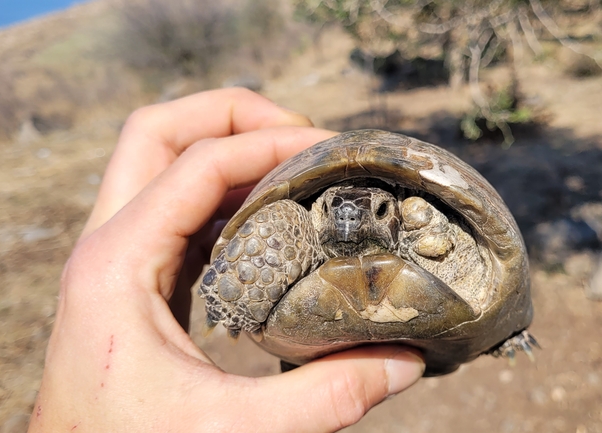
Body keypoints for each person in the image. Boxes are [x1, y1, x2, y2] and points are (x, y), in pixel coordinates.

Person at [29, 88, 425, 432]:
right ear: (318, 210)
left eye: (379, 210)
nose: (351, 221)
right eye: (331, 209)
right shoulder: (294, 226)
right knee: (279, 225)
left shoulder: (424, 222)